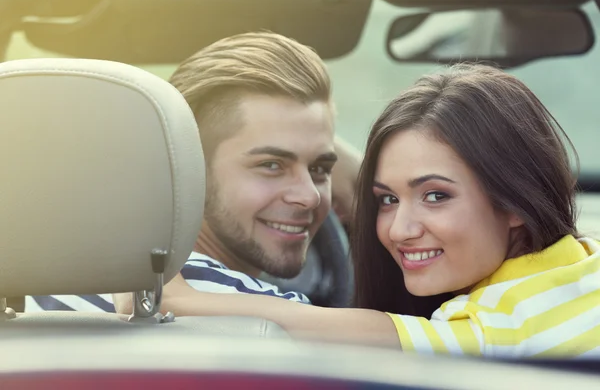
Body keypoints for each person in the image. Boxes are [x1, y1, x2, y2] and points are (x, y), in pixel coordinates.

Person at [115, 62, 600, 359]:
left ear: (513, 198)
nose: (398, 230)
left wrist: (161, 285)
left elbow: (179, 304)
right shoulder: (586, 263)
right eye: (385, 199)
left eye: (436, 195)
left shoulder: (488, 334)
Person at [26, 31, 363, 312]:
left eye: (320, 168)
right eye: (271, 165)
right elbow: (412, 337)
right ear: (186, 167)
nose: (309, 196)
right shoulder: (243, 309)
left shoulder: (41, 289)